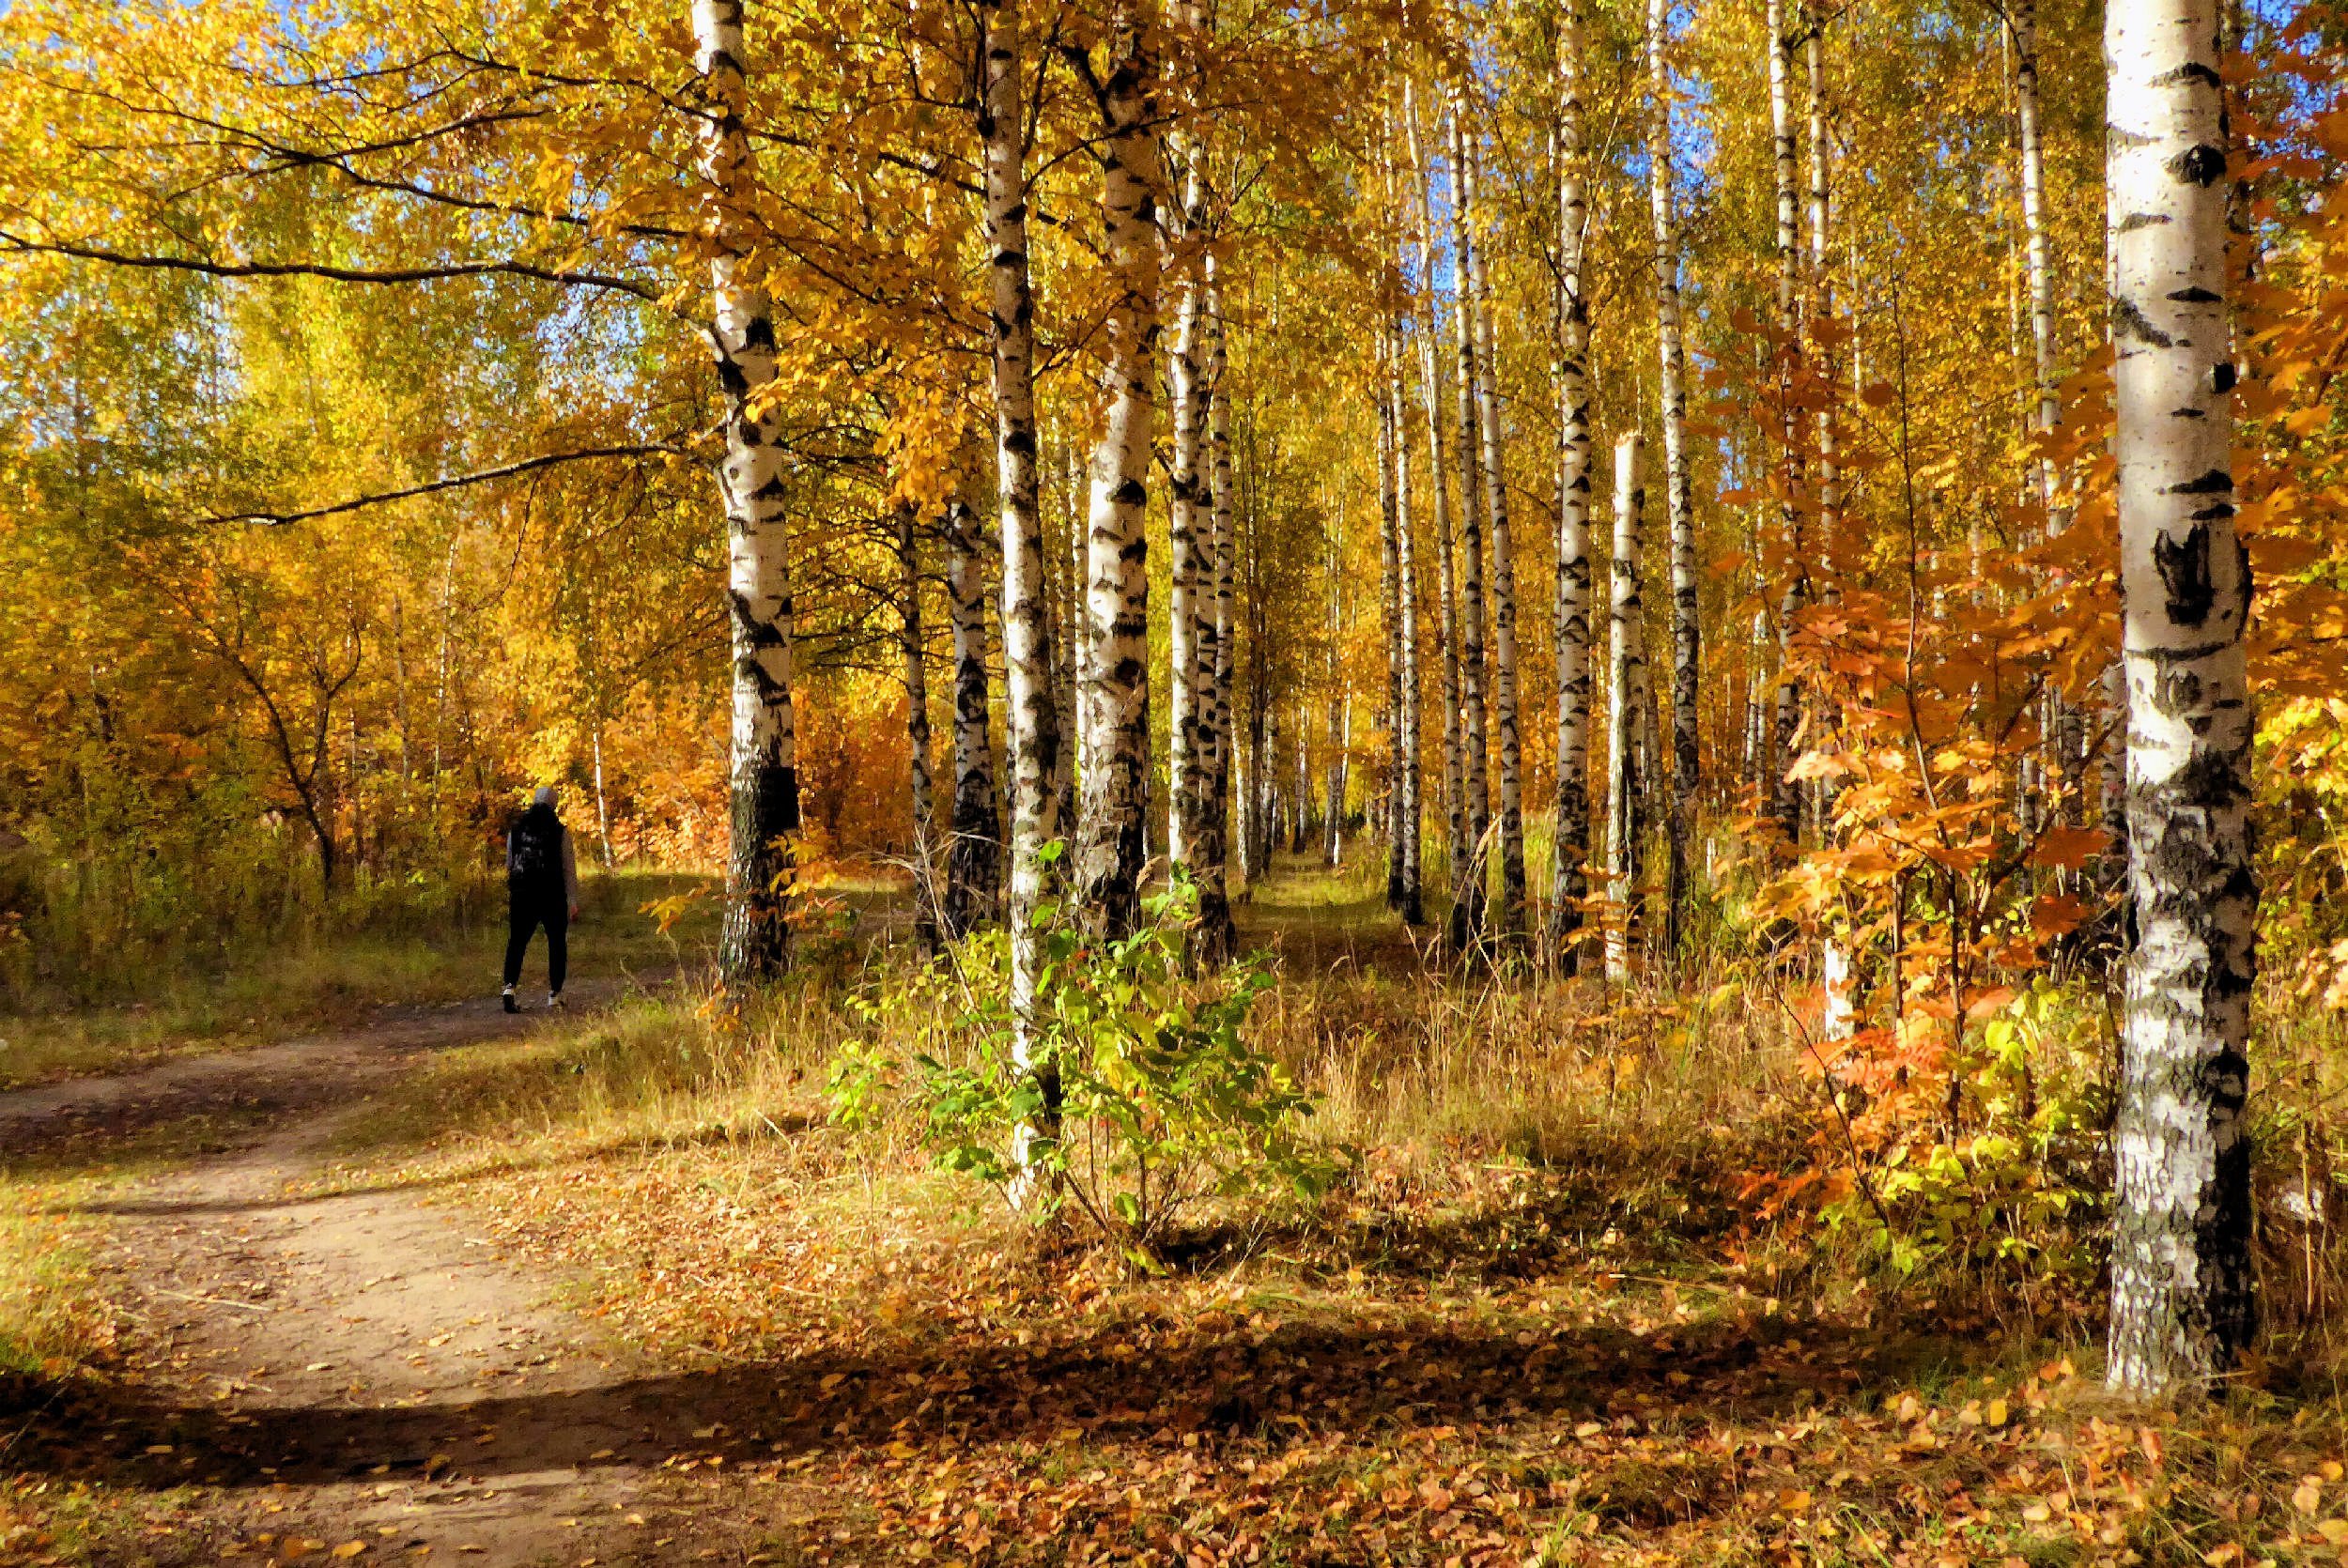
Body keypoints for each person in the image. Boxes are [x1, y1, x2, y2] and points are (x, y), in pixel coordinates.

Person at [502, 785, 579, 1012]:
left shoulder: (516, 829)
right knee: (556, 943)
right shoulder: (559, 831)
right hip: (551, 894)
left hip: (521, 894)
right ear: (554, 804)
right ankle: (555, 993)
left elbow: (509, 863)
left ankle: (509, 987)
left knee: (516, 942)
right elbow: (569, 868)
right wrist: (573, 900)